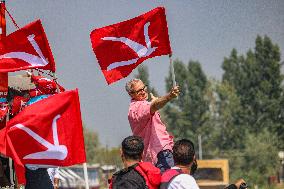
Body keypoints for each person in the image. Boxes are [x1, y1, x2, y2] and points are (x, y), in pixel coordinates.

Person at [126, 79, 180, 172]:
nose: (143, 92)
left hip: (154, 156)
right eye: (139, 91)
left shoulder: (138, 107)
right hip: (160, 154)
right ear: (131, 94)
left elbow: (153, 106)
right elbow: (154, 106)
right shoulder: (137, 108)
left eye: (144, 88)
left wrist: (154, 102)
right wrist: (169, 96)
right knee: (170, 183)